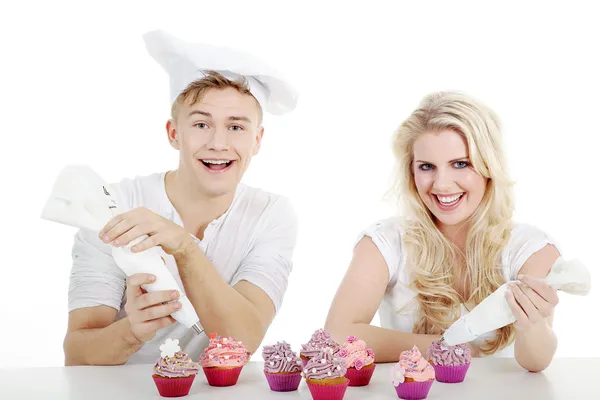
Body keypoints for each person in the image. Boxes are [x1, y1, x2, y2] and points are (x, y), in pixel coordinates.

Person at [63, 30, 299, 365]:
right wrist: (133, 330)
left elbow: (243, 342)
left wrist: (184, 248)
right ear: (175, 134)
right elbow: (77, 352)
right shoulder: (115, 205)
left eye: (236, 127)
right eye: (202, 124)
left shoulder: (270, 214)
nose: (218, 143)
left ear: (257, 140)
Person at [325, 91, 560, 372]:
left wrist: (533, 324)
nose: (442, 184)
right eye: (427, 167)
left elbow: (535, 362)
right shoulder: (385, 242)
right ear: (411, 172)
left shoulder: (531, 248)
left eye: (460, 164)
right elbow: (338, 336)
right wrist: (451, 348)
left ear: (488, 167)